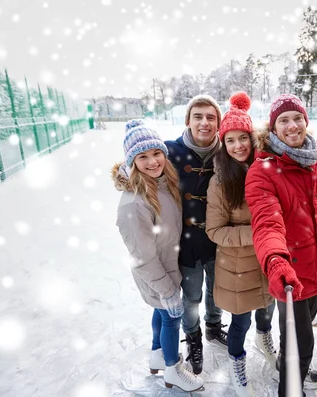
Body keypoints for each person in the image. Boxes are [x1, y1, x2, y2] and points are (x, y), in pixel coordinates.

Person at [245, 94, 317, 397]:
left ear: (306, 122)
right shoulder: (263, 170)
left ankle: (288, 365)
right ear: (273, 128)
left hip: (316, 271)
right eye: (283, 120)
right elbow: (267, 223)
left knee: (300, 333)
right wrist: (276, 262)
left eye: (297, 118)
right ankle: (290, 389)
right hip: (290, 277)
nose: (292, 126)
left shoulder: (315, 162)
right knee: (301, 345)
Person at [112, 120, 203, 391]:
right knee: (170, 316)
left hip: (166, 265)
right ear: (132, 161)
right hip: (156, 273)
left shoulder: (161, 183)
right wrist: (166, 289)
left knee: (162, 314)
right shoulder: (133, 204)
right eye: (143, 157)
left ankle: (157, 353)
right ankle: (173, 368)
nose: (153, 161)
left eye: (156, 153)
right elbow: (142, 257)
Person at [206, 91, 277, 396]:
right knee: (240, 322)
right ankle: (237, 362)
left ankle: (265, 340)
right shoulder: (220, 181)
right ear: (223, 143)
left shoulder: (269, 169)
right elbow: (215, 231)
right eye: (230, 140)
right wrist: (257, 232)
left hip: (269, 261)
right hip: (237, 267)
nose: (237, 146)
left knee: (267, 310)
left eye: (242, 138)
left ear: (252, 138)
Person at [164, 95, 226, 375]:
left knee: (217, 290)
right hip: (186, 242)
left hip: (218, 240)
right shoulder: (169, 152)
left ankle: (213, 326)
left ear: (218, 123)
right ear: (187, 120)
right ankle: (194, 337)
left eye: (211, 117)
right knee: (191, 297)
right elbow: (142, 173)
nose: (204, 122)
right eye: (198, 116)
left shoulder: (226, 153)